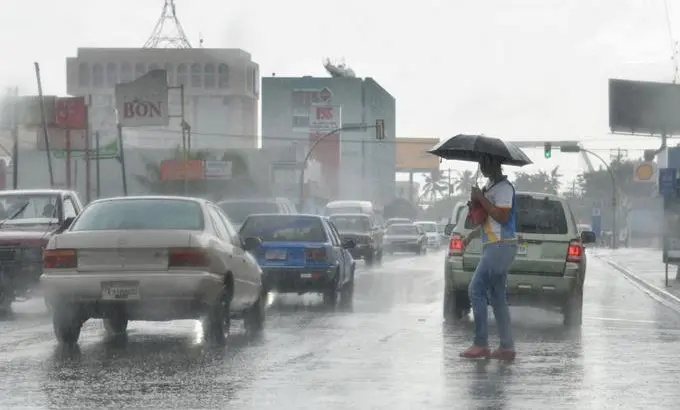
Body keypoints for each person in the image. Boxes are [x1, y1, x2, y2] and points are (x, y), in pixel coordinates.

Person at [460, 154, 518, 361]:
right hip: (494, 246)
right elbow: (486, 222)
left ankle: (481, 343)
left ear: (495, 164)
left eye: (486, 162)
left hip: (501, 246)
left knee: (476, 289)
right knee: (497, 297)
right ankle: (506, 346)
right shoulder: (490, 188)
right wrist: (475, 206)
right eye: (481, 162)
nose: (483, 166)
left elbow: (502, 217)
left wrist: (482, 199)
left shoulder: (504, 188)